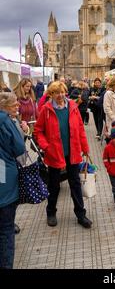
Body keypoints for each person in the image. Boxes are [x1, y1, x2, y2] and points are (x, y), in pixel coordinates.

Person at [33, 81, 92, 229]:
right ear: (51, 94)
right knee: (54, 185)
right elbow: (38, 131)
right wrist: (46, 147)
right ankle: (51, 213)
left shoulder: (72, 106)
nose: (60, 95)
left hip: (72, 153)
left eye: (62, 92)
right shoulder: (46, 110)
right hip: (54, 154)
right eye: (56, 93)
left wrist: (85, 147)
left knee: (75, 184)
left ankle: (81, 214)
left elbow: (80, 128)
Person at [0, 92, 26, 269]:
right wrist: (23, 131)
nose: (18, 106)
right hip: (4, 179)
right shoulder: (6, 122)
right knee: (6, 229)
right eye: (14, 104)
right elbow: (19, 148)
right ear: (4, 106)